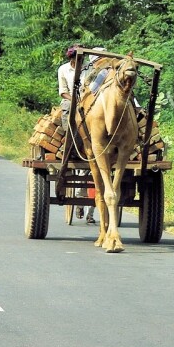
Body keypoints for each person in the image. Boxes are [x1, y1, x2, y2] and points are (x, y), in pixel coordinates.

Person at [58, 44, 94, 224]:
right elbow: (63, 91)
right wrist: (75, 101)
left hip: (88, 100)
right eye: (76, 59)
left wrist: (85, 100)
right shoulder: (63, 69)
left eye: (81, 59)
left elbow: (93, 87)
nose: (79, 62)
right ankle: (72, 143)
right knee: (67, 113)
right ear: (71, 59)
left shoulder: (90, 68)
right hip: (70, 101)